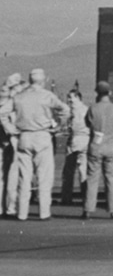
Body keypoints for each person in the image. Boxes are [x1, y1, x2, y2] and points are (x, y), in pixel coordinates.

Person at [13, 68, 70, 222]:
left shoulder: (19, 97)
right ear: (43, 80)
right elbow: (65, 109)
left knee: (24, 178)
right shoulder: (47, 95)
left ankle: (22, 213)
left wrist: (13, 127)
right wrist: (58, 126)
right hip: (43, 135)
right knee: (44, 177)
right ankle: (44, 212)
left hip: (24, 136)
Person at [84, 81, 113, 219]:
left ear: (97, 93)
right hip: (112, 146)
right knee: (112, 179)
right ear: (110, 93)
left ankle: (88, 209)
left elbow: (87, 124)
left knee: (92, 178)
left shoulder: (92, 108)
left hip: (96, 146)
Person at [60, 87, 90, 205]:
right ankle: (86, 197)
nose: (69, 101)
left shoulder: (74, 111)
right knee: (83, 171)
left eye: (71, 99)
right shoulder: (87, 109)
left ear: (78, 98)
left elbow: (72, 127)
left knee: (69, 171)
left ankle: (66, 198)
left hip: (76, 140)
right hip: (85, 141)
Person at [1, 72, 21, 217]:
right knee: (12, 177)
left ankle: (5, 207)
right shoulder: (14, 105)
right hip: (12, 140)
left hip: (4, 142)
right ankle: (11, 207)